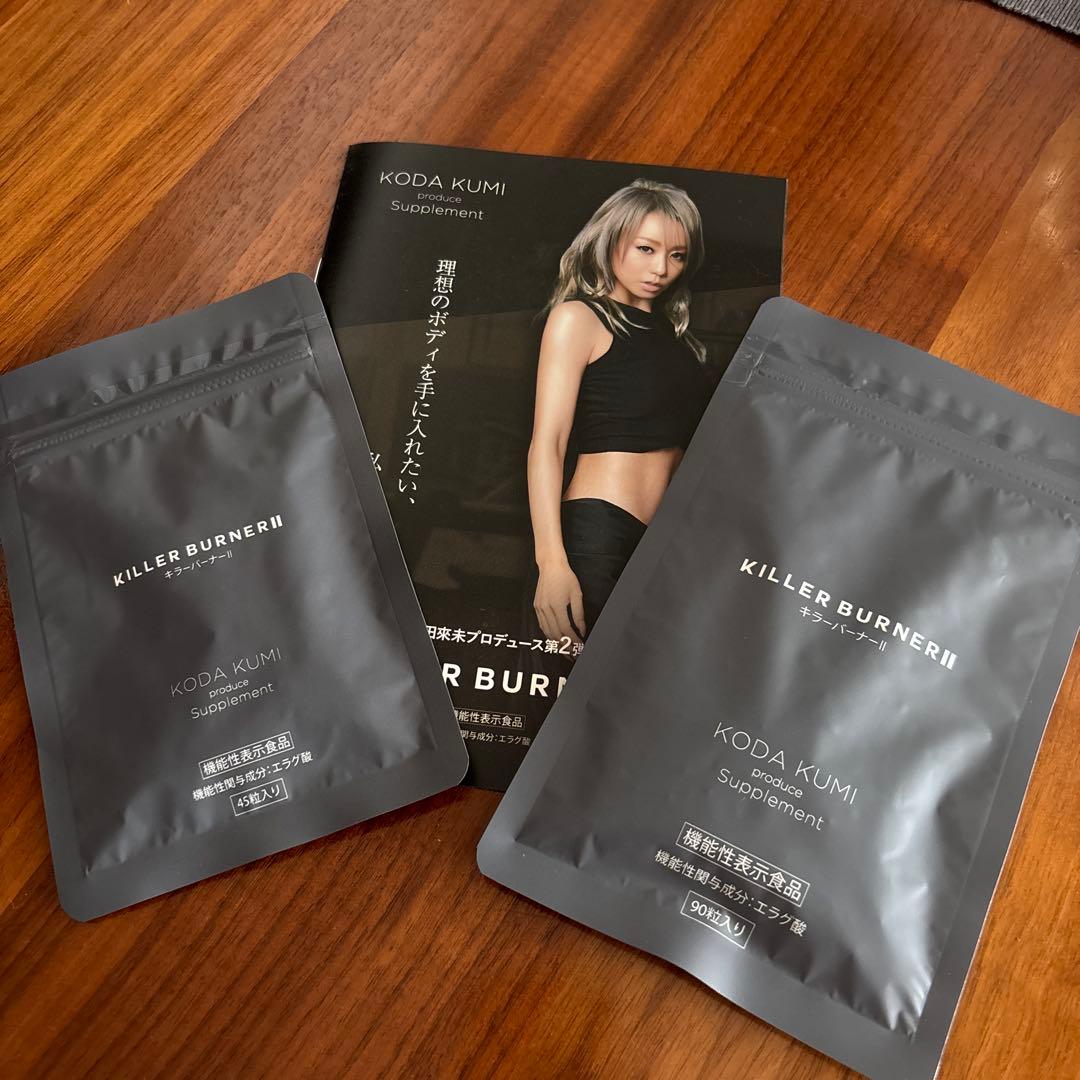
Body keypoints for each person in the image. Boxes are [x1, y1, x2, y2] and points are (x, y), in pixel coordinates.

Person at [528, 178, 711, 644]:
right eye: (646, 249)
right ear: (610, 241)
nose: (661, 269)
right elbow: (548, 444)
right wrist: (552, 563)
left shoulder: (682, 343)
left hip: (664, 548)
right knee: (574, 681)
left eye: (677, 255)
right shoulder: (579, 318)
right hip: (599, 537)